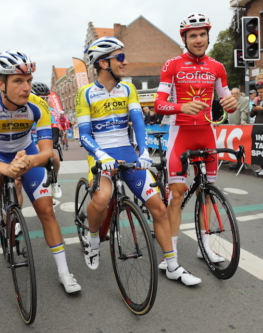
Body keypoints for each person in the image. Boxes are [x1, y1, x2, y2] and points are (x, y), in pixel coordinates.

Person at [76, 36, 200, 286]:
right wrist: (101, 155)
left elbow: (139, 122)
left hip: (128, 151)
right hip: (100, 153)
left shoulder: (128, 89)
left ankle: (173, 265)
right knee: (101, 198)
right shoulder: (85, 94)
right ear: (103, 63)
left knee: (159, 208)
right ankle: (92, 240)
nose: (126, 62)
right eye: (120, 57)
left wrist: (143, 152)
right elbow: (84, 134)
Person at [0, 50, 81, 293]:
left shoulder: (38, 105)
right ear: (1, 84)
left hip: (26, 153)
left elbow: (47, 151)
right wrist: (6, 168)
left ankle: (64, 272)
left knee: (47, 211)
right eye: (18, 81)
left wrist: (29, 161)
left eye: (28, 81)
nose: (26, 87)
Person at [154, 13, 238, 278]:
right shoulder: (172, 65)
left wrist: (231, 104)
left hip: (207, 133)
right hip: (181, 134)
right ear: (185, 39)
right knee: (177, 195)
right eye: (193, 35)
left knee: (207, 191)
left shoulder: (217, 67)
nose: (199, 40)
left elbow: (226, 99)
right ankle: (172, 258)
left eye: (202, 34)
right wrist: (181, 106)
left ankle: (204, 245)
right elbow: (159, 104)